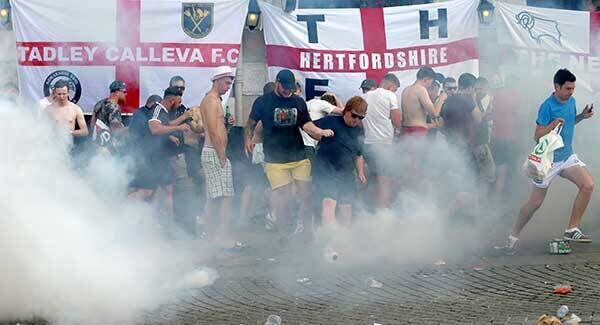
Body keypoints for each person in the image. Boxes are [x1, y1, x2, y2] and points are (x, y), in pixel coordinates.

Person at [500, 69, 595, 253]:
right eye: (567, 88)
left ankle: (571, 229)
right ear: (557, 87)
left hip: (567, 157)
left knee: (588, 185)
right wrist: (551, 125)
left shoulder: (572, 101)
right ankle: (512, 236)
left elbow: (568, 124)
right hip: (548, 162)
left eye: (573, 88)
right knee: (534, 204)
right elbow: (537, 136)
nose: (571, 92)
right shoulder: (547, 106)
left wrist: (581, 116)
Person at [244, 69, 334, 242]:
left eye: (290, 88)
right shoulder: (263, 102)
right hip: (275, 160)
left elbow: (307, 125)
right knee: (284, 198)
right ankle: (284, 234)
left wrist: (319, 132)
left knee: (306, 195)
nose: (287, 91)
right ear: (277, 83)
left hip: (299, 156)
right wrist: (247, 140)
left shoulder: (298, 102)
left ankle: (308, 232)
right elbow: (250, 123)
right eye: (284, 87)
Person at [313, 96, 368, 226]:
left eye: (361, 118)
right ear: (347, 111)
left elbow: (358, 154)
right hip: (326, 170)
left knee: (346, 206)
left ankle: (342, 241)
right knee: (329, 202)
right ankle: (328, 242)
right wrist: (320, 133)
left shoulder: (358, 130)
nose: (356, 120)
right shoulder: (330, 121)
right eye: (354, 116)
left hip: (346, 173)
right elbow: (309, 127)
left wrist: (360, 172)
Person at [198, 66, 236, 241]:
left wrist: (226, 125)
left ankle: (213, 234)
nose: (228, 87)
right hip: (214, 152)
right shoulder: (212, 101)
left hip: (215, 152)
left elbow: (217, 128)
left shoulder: (213, 100)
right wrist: (222, 156)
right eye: (227, 82)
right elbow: (213, 131)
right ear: (218, 79)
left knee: (218, 197)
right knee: (222, 198)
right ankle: (219, 236)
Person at [148, 86, 191, 221]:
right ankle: (165, 223)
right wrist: (178, 127)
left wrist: (183, 118)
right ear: (172, 100)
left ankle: (159, 221)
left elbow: (167, 124)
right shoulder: (158, 109)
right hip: (154, 157)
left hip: (160, 157)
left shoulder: (163, 112)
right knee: (157, 190)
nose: (179, 105)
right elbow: (154, 129)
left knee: (163, 190)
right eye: (178, 102)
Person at [362, 73, 402, 210]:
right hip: (384, 143)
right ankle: (382, 213)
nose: (395, 92)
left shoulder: (365, 96)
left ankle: (365, 209)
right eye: (395, 89)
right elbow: (396, 119)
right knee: (385, 180)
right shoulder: (390, 95)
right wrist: (398, 131)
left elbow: (359, 122)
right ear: (391, 86)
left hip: (367, 143)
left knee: (370, 178)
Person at [128, 94, 162, 199]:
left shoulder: (138, 113)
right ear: (155, 104)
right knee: (146, 190)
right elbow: (144, 136)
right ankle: (120, 208)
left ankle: (127, 211)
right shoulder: (144, 115)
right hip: (143, 158)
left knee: (136, 188)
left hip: (137, 157)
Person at [400, 67, 445, 136]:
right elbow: (434, 113)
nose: (430, 85)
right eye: (431, 82)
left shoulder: (406, 90)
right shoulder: (421, 90)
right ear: (425, 80)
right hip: (418, 131)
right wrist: (441, 99)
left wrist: (432, 125)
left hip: (405, 129)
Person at [300, 92, 344, 159]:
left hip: (296, 143)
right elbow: (344, 112)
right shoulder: (324, 104)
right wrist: (335, 96)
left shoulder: (309, 102)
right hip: (308, 145)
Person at [90, 80, 127, 152]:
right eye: (124, 92)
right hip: (108, 149)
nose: (126, 94)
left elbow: (92, 125)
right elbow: (116, 131)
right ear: (117, 92)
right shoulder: (114, 107)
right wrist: (131, 128)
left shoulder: (99, 103)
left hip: (96, 146)